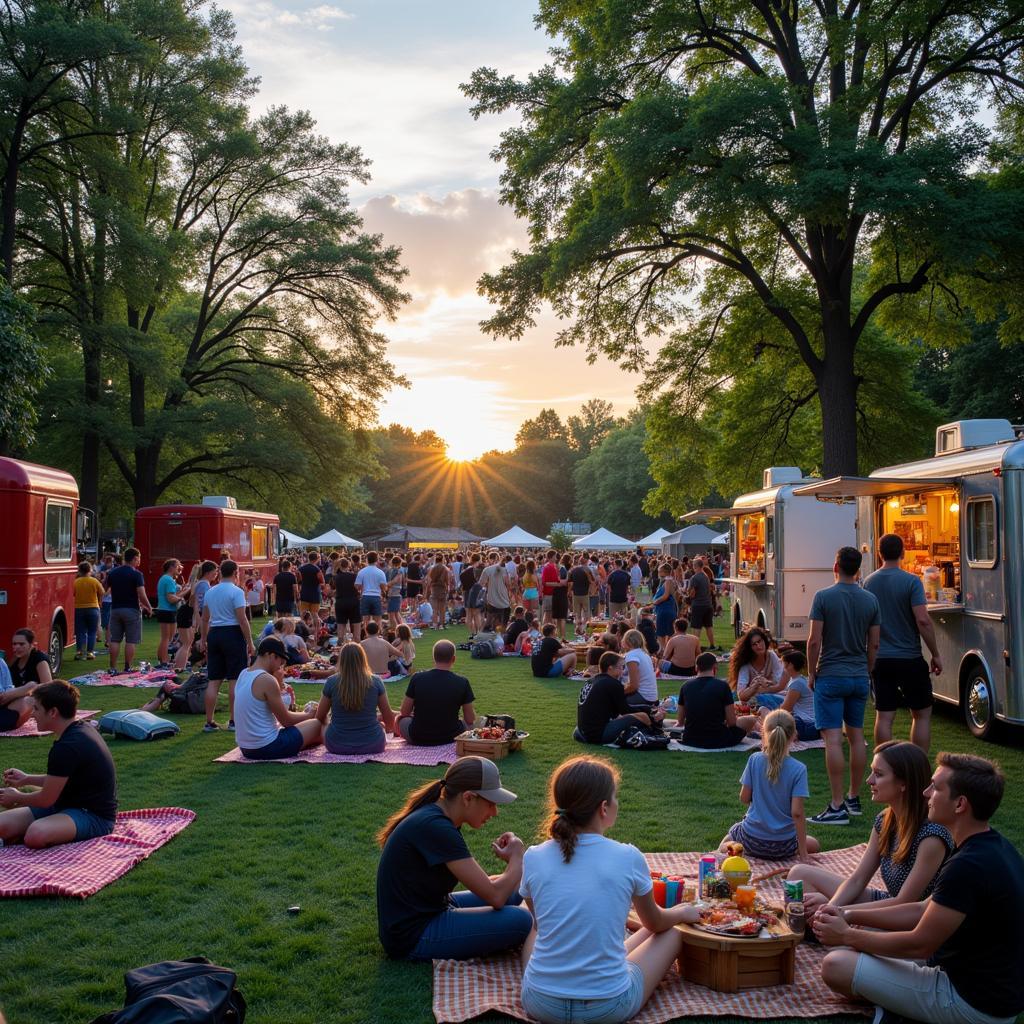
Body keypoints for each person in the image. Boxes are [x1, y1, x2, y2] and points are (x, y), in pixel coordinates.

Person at [814, 753, 1024, 1024]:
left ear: (960, 804)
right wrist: (848, 915)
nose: (925, 792)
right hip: (984, 987)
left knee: (836, 965)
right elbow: (921, 909)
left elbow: (919, 945)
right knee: (856, 949)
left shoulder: (968, 865)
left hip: (971, 1004)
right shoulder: (994, 846)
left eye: (935, 787)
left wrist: (847, 936)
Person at [519, 755, 698, 1024]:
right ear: (604, 808)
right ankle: (608, 965)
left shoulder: (533, 856)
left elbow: (543, 926)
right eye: (616, 797)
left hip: (540, 1003)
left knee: (534, 922)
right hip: (607, 1007)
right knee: (672, 933)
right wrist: (682, 912)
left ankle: (569, 971)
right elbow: (656, 921)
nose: (618, 803)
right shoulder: (627, 856)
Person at [376, 756, 532, 960]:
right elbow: (496, 897)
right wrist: (517, 856)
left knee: (515, 890)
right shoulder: (436, 827)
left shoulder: (439, 816)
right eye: (491, 804)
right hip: (413, 935)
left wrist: (512, 867)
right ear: (468, 798)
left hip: (434, 907)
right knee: (521, 920)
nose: (495, 812)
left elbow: (494, 891)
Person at [788, 740, 954, 917]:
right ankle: (818, 924)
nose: (869, 780)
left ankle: (831, 930)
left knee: (845, 939)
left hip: (907, 917)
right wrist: (829, 908)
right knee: (799, 874)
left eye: (879, 774)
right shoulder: (884, 820)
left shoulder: (932, 836)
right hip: (885, 901)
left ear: (903, 783)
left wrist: (839, 912)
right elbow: (858, 880)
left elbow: (905, 903)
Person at [807, 546, 881, 826]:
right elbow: (874, 642)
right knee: (856, 735)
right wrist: (869, 668)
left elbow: (815, 640)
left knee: (833, 740)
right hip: (858, 675)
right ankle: (853, 796)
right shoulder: (870, 600)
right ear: (858, 569)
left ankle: (837, 805)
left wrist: (812, 671)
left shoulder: (823, 597)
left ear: (835, 567)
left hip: (831, 674)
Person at [0, 680, 117, 846]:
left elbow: (45, 799)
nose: (32, 714)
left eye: (37, 709)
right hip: (64, 804)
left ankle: (22, 834)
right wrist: (27, 779)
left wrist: (17, 797)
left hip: (92, 815)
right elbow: (61, 779)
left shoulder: (68, 746)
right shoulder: (78, 729)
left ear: (53, 712)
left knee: (36, 834)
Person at [864, 533, 942, 752]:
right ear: (903, 553)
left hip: (881, 659)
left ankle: (884, 764)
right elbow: (923, 620)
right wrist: (935, 653)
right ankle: (917, 765)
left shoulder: (869, 582)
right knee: (921, 714)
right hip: (909, 658)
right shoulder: (911, 581)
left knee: (884, 716)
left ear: (879, 554)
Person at [720, 709, 820, 861]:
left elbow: (744, 798)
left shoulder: (755, 759)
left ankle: (724, 852)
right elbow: (797, 813)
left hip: (751, 841)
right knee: (814, 844)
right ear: (793, 735)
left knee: (728, 839)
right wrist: (804, 854)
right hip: (784, 846)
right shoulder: (799, 769)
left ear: (764, 733)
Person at [232, 636, 322, 759]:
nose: (280, 666)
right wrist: (310, 714)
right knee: (316, 724)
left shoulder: (244, 674)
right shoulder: (267, 679)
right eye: (280, 661)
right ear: (271, 655)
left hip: (246, 748)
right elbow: (287, 721)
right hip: (268, 746)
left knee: (310, 729)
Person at [199, 559, 255, 732]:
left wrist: (203, 640)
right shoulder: (236, 591)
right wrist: (250, 642)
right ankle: (233, 720)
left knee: (214, 680)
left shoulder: (210, 591)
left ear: (220, 572)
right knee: (234, 679)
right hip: (232, 633)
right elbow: (242, 619)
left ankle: (209, 721)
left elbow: (205, 619)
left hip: (215, 633)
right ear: (236, 573)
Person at [315, 642, 396, 755]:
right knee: (380, 725)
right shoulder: (375, 681)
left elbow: (319, 717)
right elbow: (389, 718)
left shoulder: (332, 681)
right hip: (373, 744)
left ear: (341, 660)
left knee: (323, 726)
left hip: (337, 745)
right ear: (363, 659)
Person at [396, 640, 476, 744]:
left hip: (418, 737)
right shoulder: (462, 682)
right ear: (453, 659)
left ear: (434, 658)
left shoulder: (417, 678)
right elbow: (470, 719)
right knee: (471, 725)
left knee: (401, 720)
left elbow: (404, 712)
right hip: (451, 738)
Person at [678, 652, 758, 748]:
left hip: (690, 739)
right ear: (715, 666)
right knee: (751, 719)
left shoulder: (685, 686)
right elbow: (732, 722)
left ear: (696, 668)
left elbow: (680, 721)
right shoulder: (722, 686)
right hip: (718, 740)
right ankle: (753, 734)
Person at [574, 652, 652, 744]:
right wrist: (648, 711)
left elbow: (613, 712)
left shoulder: (591, 681)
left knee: (634, 716)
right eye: (621, 667)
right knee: (641, 717)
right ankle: (652, 730)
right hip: (598, 735)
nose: (623, 671)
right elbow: (625, 710)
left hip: (580, 733)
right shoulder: (613, 684)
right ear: (610, 668)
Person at [104, 547, 153, 674]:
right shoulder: (137, 574)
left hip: (115, 609)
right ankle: (127, 667)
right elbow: (141, 594)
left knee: (115, 640)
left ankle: (112, 667)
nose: (139, 561)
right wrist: (149, 606)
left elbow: (104, 588)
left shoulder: (113, 573)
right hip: (132, 610)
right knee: (131, 640)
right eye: (139, 558)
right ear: (135, 558)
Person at [756, 650, 819, 740]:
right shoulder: (800, 679)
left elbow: (785, 709)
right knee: (766, 701)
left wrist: (770, 713)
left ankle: (768, 732)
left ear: (790, 665)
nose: (782, 667)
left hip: (805, 726)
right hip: (809, 724)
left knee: (763, 710)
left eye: (784, 664)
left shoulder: (797, 683)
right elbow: (791, 694)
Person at [730, 627, 785, 702]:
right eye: (754, 644)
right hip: (752, 699)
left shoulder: (771, 655)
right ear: (750, 648)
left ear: (764, 640)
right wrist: (755, 685)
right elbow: (741, 696)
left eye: (760, 641)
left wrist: (767, 683)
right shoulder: (746, 664)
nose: (758, 646)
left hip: (771, 695)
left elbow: (781, 682)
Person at [171, 562, 203, 672]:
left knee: (186, 643)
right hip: (186, 614)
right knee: (186, 643)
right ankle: (180, 667)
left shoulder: (191, 583)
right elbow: (194, 604)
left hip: (184, 613)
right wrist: (195, 621)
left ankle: (179, 666)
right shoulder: (195, 585)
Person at [155, 558, 185, 668]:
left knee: (166, 637)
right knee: (167, 638)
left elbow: (173, 595)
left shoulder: (166, 579)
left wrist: (182, 591)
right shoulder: (168, 579)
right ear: (171, 567)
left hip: (166, 611)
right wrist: (186, 592)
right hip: (167, 611)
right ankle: (164, 661)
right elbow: (171, 599)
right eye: (178, 566)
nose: (180, 568)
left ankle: (161, 659)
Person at [72, 561, 105, 661]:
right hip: (93, 608)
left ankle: (79, 652)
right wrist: (100, 601)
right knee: (92, 631)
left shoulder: (76, 582)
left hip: (79, 608)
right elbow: (102, 592)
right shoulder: (94, 581)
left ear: (80, 570)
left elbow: (73, 594)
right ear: (90, 570)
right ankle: (90, 652)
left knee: (80, 632)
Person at [621, 628, 659, 712]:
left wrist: (617, 693)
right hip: (652, 697)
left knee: (612, 700)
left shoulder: (631, 656)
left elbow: (634, 686)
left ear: (627, 641)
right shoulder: (644, 654)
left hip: (644, 697)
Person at [686, 556, 717, 650]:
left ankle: (695, 647)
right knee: (709, 626)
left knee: (696, 627)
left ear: (695, 566)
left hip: (698, 605)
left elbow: (692, 593)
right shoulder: (706, 576)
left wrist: (687, 593)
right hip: (708, 604)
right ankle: (712, 645)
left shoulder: (694, 578)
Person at [0, 652, 34, 732]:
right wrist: (25, 689)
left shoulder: (1, 662)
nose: (17, 647)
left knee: (30, 700)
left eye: (21, 644)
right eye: (15, 644)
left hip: (4, 706)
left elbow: (8, 689)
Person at [479, 551, 512, 631]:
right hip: (504, 601)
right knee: (503, 624)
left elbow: (481, 584)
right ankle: (500, 640)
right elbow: (508, 584)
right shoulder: (505, 570)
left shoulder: (487, 570)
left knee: (489, 621)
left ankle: (483, 638)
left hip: (492, 601)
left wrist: (488, 583)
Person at [650, 564, 679, 653]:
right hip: (667, 609)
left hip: (665, 610)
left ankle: (665, 651)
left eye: (659, 571)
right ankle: (667, 650)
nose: (658, 573)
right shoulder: (669, 581)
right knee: (668, 632)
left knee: (661, 633)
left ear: (664, 572)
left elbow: (665, 596)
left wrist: (655, 602)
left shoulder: (668, 581)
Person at [332, 556, 362, 643]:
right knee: (357, 633)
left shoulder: (336, 577)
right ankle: (359, 652)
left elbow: (331, 591)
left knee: (340, 633)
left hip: (340, 602)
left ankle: (340, 651)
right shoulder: (354, 576)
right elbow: (358, 588)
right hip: (354, 602)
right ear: (348, 565)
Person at [356, 551, 388, 631]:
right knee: (378, 620)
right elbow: (384, 587)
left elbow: (357, 586)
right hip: (376, 597)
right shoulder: (380, 572)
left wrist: (363, 587)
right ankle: (378, 636)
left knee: (366, 620)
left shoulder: (362, 571)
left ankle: (367, 636)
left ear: (366, 559)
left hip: (365, 596)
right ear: (376, 560)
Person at [298, 551, 326, 635]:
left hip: (304, 593)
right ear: (317, 559)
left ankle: (300, 631)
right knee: (315, 615)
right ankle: (316, 633)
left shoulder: (301, 568)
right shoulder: (317, 569)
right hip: (314, 594)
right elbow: (322, 583)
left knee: (302, 614)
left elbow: (298, 580)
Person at [568, 556, 594, 638]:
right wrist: (591, 591)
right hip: (585, 594)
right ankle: (584, 629)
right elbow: (591, 582)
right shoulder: (587, 570)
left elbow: (571, 583)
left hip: (575, 594)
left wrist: (569, 591)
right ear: (586, 562)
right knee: (586, 613)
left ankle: (578, 629)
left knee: (577, 613)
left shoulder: (574, 570)